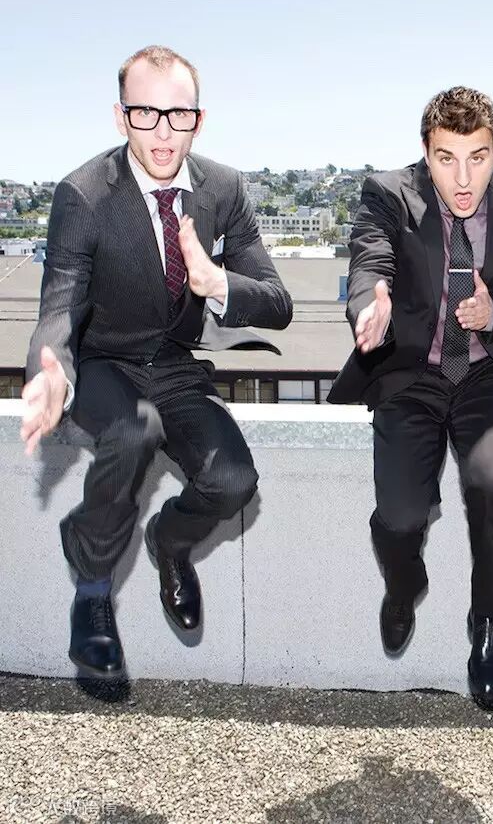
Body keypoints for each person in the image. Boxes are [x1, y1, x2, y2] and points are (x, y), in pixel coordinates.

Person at [21, 45, 293, 679]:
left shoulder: (224, 189)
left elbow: (278, 303)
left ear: (199, 120)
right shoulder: (84, 194)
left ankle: (168, 543)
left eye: (179, 115)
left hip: (173, 365)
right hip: (106, 362)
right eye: (146, 113)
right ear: (122, 117)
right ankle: (92, 590)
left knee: (234, 482)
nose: (163, 132)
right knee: (133, 431)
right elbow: (59, 303)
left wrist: (217, 283)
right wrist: (49, 370)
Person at [329, 86, 493, 710]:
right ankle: (403, 585)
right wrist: (371, 301)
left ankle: (487, 620)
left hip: (486, 374)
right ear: (425, 152)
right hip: (412, 374)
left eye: (477, 158)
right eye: (446, 158)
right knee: (400, 517)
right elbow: (370, 259)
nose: (463, 179)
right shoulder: (388, 193)